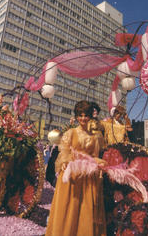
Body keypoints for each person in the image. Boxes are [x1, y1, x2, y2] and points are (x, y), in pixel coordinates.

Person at [45, 101, 107, 236]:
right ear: (77, 116)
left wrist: (100, 163)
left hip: (87, 177)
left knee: (85, 209)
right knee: (69, 208)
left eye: (86, 115)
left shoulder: (94, 138)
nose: (83, 118)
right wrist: (65, 162)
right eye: (80, 115)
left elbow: (93, 157)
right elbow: (64, 152)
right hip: (71, 176)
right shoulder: (71, 133)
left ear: (90, 116)